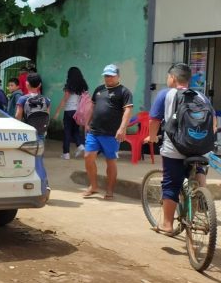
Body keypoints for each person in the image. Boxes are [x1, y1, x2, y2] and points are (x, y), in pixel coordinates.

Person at [146, 63, 215, 234]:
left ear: (173, 78)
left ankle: (167, 224)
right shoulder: (201, 96)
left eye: (168, 77)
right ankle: (201, 197)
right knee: (198, 168)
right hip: (200, 148)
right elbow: (212, 121)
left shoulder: (165, 95)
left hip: (175, 148)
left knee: (171, 184)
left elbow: (154, 120)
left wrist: (153, 137)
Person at [82, 64, 134, 200]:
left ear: (118, 76)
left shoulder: (124, 92)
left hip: (112, 134)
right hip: (94, 131)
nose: (108, 78)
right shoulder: (99, 90)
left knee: (110, 161)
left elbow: (128, 111)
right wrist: (86, 122)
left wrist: (122, 128)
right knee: (88, 157)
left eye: (111, 75)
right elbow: (92, 107)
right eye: (106, 75)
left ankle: (110, 190)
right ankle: (93, 186)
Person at [53, 67, 89, 160]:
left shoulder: (69, 85)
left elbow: (64, 99)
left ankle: (66, 153)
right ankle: (80, 146)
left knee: (67, 132)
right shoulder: (83, 86)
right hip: (78, 112)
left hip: (69, 111)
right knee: (75, 131)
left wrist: (57, 112)